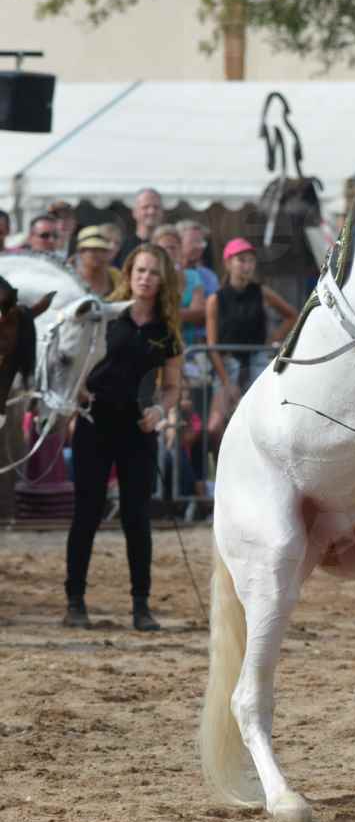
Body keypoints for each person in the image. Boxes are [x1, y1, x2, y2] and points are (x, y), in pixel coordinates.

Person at [63, 244, 184, 632]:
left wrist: (160, 412)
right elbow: (75, 359)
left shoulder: (167, 332)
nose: (145, 278)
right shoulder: (101, 314)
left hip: (137, 429)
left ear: (162, 280)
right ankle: (75, 601)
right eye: (140, 271)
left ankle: (140, 606)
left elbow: (171, 388)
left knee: (137, 518)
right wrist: (77, 389)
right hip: (94, 424)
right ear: (129, 273)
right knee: (87, 513)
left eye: (153, 272)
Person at [205, 238, 296, 441]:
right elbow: (212, 347)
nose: (247, 266)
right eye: (241, 260)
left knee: (263, 420)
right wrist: (227, 383)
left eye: (251, 261)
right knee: (215, 425)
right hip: (227, 364)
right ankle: (221, 466)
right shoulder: (215, 300)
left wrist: (271, 340)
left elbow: (292, 315)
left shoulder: (262, 292)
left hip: (257, 358)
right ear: (228, 263)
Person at [152, 224, 206, 348]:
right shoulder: (150, 277)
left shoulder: (193, 276)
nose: (169, 252)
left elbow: (199, 313)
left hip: (190, 348)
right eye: (164, 248)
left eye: (173, 247)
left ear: (180, 249)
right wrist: (185, 313)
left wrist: (165, 314)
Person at [115, 187, 163, 266]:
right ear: (134, 212)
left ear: (162, 212)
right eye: (145, 207)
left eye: (156, 207)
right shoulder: (122, 248)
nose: (151, 211)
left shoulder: (168, 246)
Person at [72, 226, 123, 297]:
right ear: (81, 252)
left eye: (102, 250)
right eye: (93, 249)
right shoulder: (69, 279)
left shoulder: (118, 278)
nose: (98, 254)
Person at [176, 219, 220, 297]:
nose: (198, 247)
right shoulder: (169, 272)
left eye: (201, 242)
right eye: (193, 241)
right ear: (179, 243)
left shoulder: (209, 276)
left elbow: (214, 304)